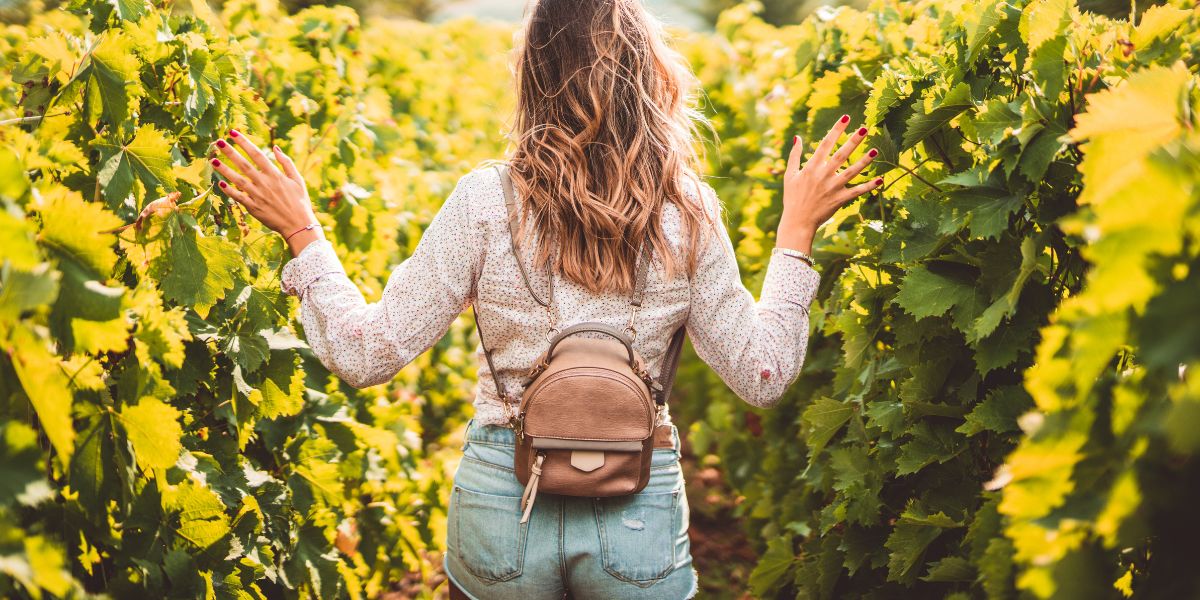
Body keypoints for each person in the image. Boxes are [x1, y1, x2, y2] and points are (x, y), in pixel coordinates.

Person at [210, 0, 880, 596]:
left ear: (533, 77)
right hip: (638, 502)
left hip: (506, 500)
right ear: (649, 78)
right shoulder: (688, 210)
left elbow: (366, 354)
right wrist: (796, 233)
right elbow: (762, 375)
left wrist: (302, 231)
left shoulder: (484, 201)